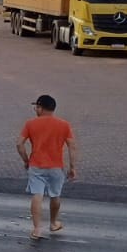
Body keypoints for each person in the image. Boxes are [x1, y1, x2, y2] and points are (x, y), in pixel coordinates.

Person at [17, 94, 78, 241]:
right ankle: (53, 223)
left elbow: (19, 144)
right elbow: (72, 146)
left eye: (36, 107)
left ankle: (37, 229)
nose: (35, 110)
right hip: (56, 166)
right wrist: (72, 167)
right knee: (55, 195)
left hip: (36, 165)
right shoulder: (64, 125)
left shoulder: (30, 124)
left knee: (37, 195)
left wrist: (26, 160)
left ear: (40, 107)